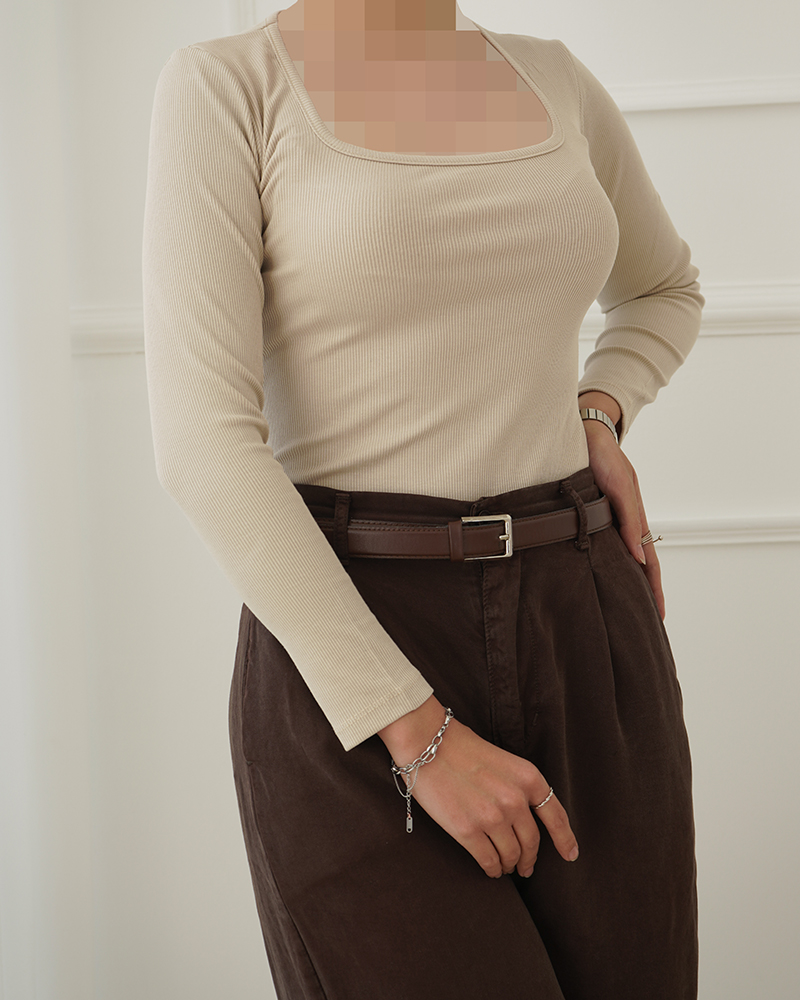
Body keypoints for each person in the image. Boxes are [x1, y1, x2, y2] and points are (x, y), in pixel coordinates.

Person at [142, 1, 704, 997]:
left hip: (585, 615)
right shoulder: (230, 86)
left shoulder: (554, 77)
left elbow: (663, 288)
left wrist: (598, 411)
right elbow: (203, 442)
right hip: (356, 648)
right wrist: (416, 733)